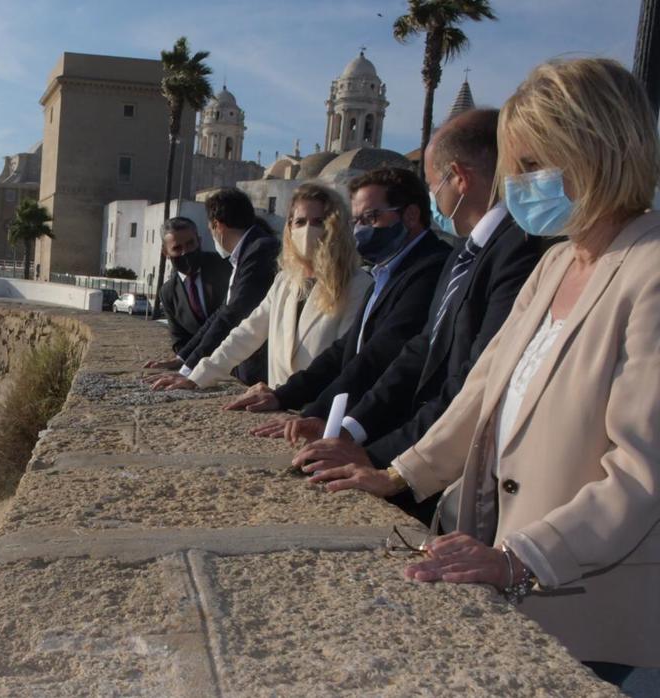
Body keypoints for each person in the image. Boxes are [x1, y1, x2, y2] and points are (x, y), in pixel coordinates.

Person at [300, 58, 660, 683]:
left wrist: (521, 559)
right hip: (518, 584)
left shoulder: (650, 271)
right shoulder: (556, 264)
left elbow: (643, 471)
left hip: (596, 612)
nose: (513, 186)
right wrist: (399, 473)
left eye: (528, 166)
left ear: (592, 151)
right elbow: (482, 389)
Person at [260, 110, 543, 524]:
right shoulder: (463, 255)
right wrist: (332, 422)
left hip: (450, 463)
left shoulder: (513, 250)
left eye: (433, 185)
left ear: (458, 179)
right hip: (418, 450)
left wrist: (379, 456)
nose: (434, 200)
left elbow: (472, 379)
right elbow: (415, 353)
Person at [226, 167, 450, 417]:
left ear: (410, 215)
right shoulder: (384, 273)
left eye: (371, 217)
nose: (361, 230)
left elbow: (380, 357)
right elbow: (345, 350)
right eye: (358, 221)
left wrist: (320, 416)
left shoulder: (431, 269)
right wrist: (283, 396)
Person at [148, 183, 371, 391]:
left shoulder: (358, 285)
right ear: (289, 227)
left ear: (335, 227)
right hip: (279, 409)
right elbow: (248, 332)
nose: (307, 231)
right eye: (300, 222)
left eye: (318, 222)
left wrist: (286, 396)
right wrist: (196, 377)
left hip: (317, 412)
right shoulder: (285, 281)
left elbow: (342, 359)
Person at [142, 188, 279, 384]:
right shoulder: (247, 253)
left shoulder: (258, 252)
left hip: (265, 370)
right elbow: (221, 314)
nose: (185, 253)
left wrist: (190, 373)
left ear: (217, 225)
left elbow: (232, 315)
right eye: (177, 248)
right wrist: (183, 360)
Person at [154, 217, 233, 355]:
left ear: (199, 241)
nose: (185, 252)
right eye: (177, 248)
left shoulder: (227, 266)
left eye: (190, 243)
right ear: (166, 252)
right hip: (201, 366)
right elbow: (179, 340)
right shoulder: (168, 293)